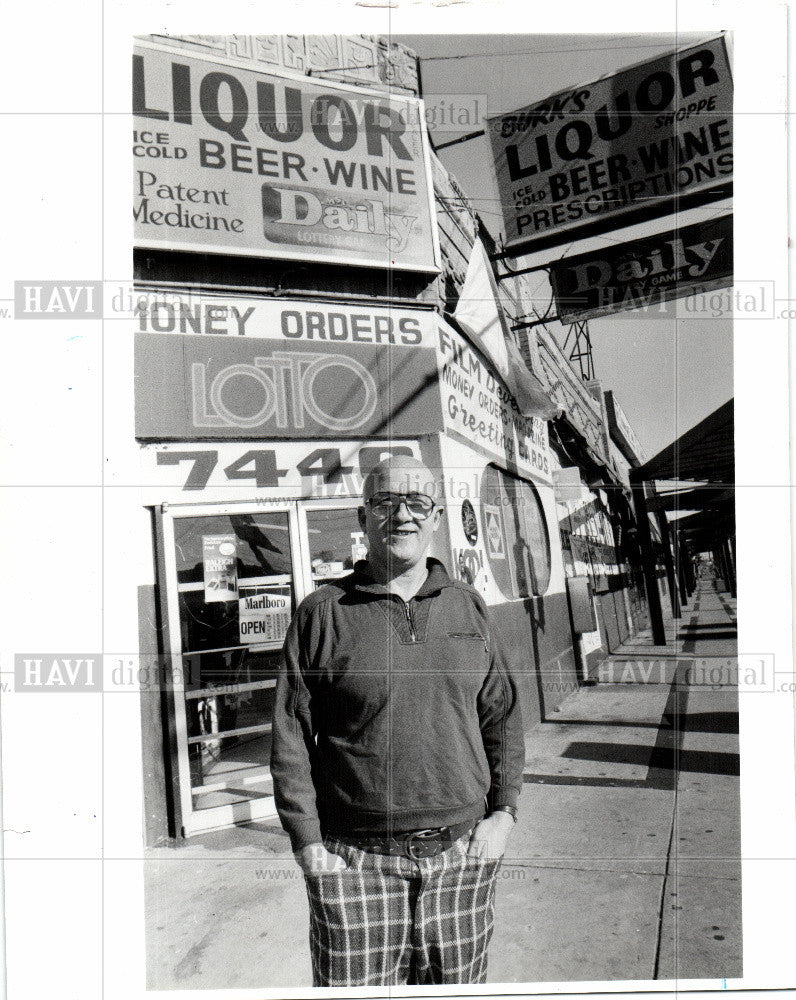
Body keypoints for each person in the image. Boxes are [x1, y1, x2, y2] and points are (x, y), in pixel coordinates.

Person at [270, 455, 524, 986]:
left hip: (462, 857)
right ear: (363, 520)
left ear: (435, 518)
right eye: (384, 502)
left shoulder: (468, 607)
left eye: (416, 503)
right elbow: (292, 734)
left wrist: (503, 813)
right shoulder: (323, 613)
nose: (401, 515)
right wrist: (307, 844)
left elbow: (501, 715)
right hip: (355, 864)